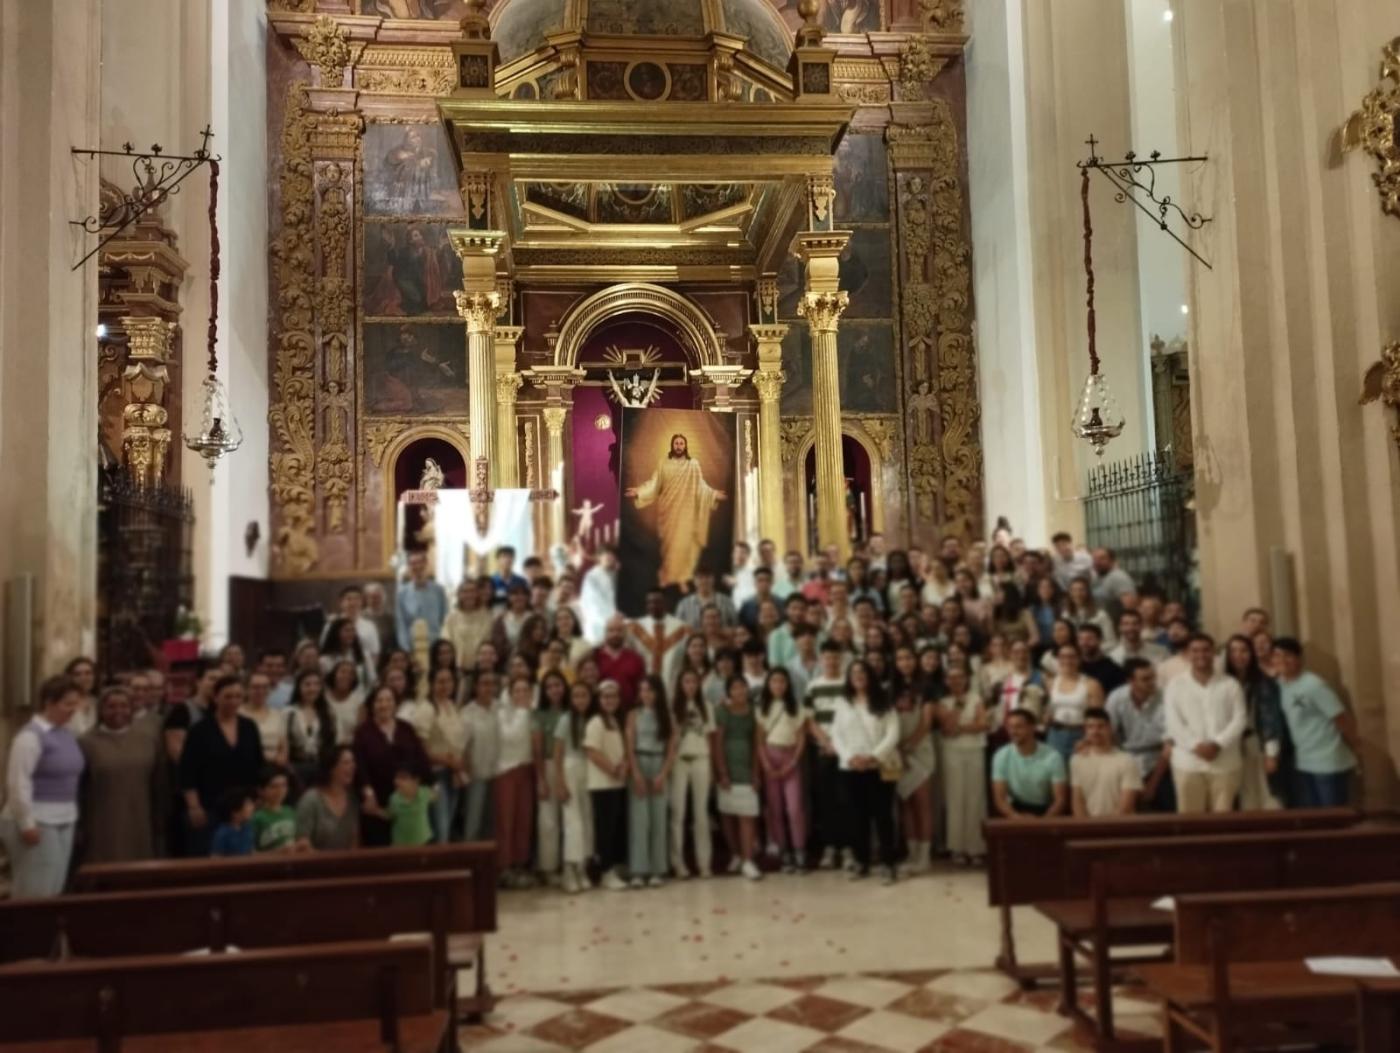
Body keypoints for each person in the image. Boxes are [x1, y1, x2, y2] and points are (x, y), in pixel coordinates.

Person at [1, 676, 86, 897]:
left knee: (55, 885)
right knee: (36, 887)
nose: (73, 710)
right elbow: (18, 782)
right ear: (49, 703)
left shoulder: (66, 733)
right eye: (68, 704)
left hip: (64, 816)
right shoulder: (30, 736)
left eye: (76, 704)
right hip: (36, 818)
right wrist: (26, 823)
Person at [623, 433, 728, 589]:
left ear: (685, 446)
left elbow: (700, 486)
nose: (679, 446)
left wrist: (713, 494)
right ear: (672, 445)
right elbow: (654, 485)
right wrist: (639, 492)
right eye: (676, 443)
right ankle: (668, 576)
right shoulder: (664, 464)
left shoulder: (693, 464)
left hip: (687, 513)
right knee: (670, 548)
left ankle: (682, 578)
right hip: (669, 513)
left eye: (681, 443)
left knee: (685, 546)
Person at [830, 660, 899, 884]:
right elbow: (836, 734)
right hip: (850, 767)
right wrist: (849, 757)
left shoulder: (883, 700)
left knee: (883, 816)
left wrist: (873, 757)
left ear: (870, 675)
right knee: (856, 816)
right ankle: (862, 862)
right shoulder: (842, 703)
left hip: (878, 766)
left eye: (862, 671)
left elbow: (893, 732)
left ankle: (888, 864)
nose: (858, 675)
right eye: (853, 672)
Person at [179, 675, 263, 857]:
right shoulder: (199, 730)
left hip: (243, 808)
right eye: (228, 696)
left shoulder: (249, 727)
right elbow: (187, 771)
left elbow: (258, 765)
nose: (233, 701)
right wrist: (194, 806)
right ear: (216, 697)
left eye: (238, 696)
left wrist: (256, 798)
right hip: (210, 806)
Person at [79, 685, 162, 863]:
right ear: (101, 710)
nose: (118, 711)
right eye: (111, 706)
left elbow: (158, 783)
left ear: (132, 708)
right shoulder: (86, 743)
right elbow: (80, 789)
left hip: (141, 816)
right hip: (103, 818)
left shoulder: (147, 740)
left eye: (124, 706)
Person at [1164, 633, 1246, 814]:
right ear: (1188, 654)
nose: (1201, 655)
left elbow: (1239, 719)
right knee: (1190, 820)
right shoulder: (1175, 685)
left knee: (1222, 820)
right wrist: (1195, 745)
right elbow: (1173, 722)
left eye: (1206, 650)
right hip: (1188, 763)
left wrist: (1217, 744)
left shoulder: (1230, 684)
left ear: (1214, 653)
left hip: (1225, 762)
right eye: (1195, 650)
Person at [1274, 637, 1360, 807]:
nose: (1282, 660)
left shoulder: (1313, 684)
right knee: (1314, 816)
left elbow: (1340, 717)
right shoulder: (1280, 685)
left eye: (1288, 655)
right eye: (1277, 655)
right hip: (1304, 760)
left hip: (1328, 760)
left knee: (1333, 815)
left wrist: (1356, 746)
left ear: (1299, 659)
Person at [352, 685, 432, 846]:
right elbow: (360, 765)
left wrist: (431, 782)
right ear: (372, 705)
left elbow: (421, 757)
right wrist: (367, 791)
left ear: (395, 703)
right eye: (379, 700)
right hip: (377, 798)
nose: (384, 705)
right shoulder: (362, 732)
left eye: (389, 700)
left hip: (407, 799)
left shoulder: (406, 728)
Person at [1224, 634, 1287, 810]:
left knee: (1261, 794)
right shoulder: (1222, 682)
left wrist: (1271, 753)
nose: (1238, 655)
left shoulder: (1262, 683)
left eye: (1244, 650)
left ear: (1251, 654)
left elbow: (1270, 719)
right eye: (1233, 651)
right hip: (1228, 746)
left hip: (1253, 742)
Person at [625, 674, 676, 888]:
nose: (645, 694)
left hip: (658, 763)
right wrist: (635, 772)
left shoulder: (667, 716)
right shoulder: (633, 714)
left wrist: (663, 774)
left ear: (658, 692)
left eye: (650, 690)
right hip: (639, 761)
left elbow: (671, 749)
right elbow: (629, 746)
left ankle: (657, 869)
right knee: (639, 819)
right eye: (642, 690)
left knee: (658, 818)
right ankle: (639, 869)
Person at [756, 668, 807, 874]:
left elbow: (801, 737)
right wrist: (766, 764)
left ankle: (799, 850)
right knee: (775, 808)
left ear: (788, 685)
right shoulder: (762, 708)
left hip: (790, 757)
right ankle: (784, 851)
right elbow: (759, 740)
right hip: (770, 756)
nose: (778, 685)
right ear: (768, 684)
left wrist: (793, 762)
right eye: (774, 681)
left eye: (782, 681)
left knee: (794, 808)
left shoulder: (796, 707)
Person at [1105, 659, 1174, 812]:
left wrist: (1152, 785)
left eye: (1153, 677)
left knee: (1165, 797)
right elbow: (1108, 733)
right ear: (1131, 681)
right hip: (1125, 757)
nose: (1152, 682)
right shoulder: (1116, 697)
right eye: (1145, 679)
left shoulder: (1166, 697)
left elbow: (1169, 745)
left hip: (1159, 759)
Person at [803, 640, 848, 869]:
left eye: (835, 657)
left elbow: (854, 718)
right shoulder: (813, 686)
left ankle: (848, 848)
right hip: (821, 750)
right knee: (826, 799)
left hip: (847, 750)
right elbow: (809, 720)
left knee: (847, 799)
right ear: (820, 660)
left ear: (841, 659)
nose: (831, 661)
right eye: (827, 657)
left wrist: (839, 745)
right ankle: (829, 847)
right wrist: (826, 742)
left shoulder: (849, 684)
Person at [668, 667, 715, 879]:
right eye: (686, 681)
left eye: (694, 681)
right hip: (679, 761)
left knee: (701, 814)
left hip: (701, 759)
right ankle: (678, 863)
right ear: (680, 684)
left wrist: (712, 767)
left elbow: (710, 737)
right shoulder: (672, 707)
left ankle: (704, 863)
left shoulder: (706, 706)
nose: (690, 686)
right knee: (678, 812)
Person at [714, 674, 762, 880]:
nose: (739, 691)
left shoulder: (753, 712)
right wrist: (722, 772)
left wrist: (756, 772)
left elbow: (756, 743)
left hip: (746, 766)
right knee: (728, 813)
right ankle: (735, 854)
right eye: (734, 687)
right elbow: (717, 743)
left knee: (747, 813)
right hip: (727, 765)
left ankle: (748, 860)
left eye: (742, 686)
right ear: (728, 692)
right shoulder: (722, 711)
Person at [938, 665, 987, 864]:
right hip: (952, 752)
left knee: (975, 797)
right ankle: (956, 847)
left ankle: (976, 847)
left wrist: (961, 728)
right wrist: (960, 713)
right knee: (955, 797)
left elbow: (983, 724)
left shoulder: (976, 698)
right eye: (952, 678)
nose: (956, 681)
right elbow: (948, 728)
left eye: (960, 677)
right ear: (946, 681)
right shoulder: (943, 702)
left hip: (974, 749)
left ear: (966, 679)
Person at [584, 680, 630, 890]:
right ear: (599, 700)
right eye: (606, 697)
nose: (610, 700)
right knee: (605, 830)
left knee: (614, 828)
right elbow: (592, 752)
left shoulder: (616, 721)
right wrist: (612, 769)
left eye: (614, 696)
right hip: (602, 783)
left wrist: (623, 766)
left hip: (616, 783)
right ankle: (605, 871)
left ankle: (614, 867)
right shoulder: (596, 722)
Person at [496, 676, 537, 887]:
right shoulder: (502, 714)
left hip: (526, 770)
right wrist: (522, 711)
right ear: (510, 694)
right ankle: (504, 867)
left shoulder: (533, 712)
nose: (521, 695)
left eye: (525, 690)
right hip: (506, 770)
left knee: (524, 820)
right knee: (506, 821)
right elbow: (510, 737)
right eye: (517, 691)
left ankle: (520, 865)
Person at [991, 708, 1068, 819]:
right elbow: (1000, 799)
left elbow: (1060, 800)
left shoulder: (1053, 757)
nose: (1013, 732)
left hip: (1046, 810)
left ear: (1032, 728)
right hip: (1015, 809)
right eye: (1010, 727)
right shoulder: (1001, 755)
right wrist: (1017, 818)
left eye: (1018, 727)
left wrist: (1041, 823)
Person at [894, 682, 937, 874]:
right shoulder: (891, 697)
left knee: (922, 806)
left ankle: (924, 857)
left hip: (920, 753)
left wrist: (907, 747)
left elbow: (925, 725)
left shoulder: (924, 698)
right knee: (906, 806)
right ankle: (912, 855)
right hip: (898, 756)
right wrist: (897, 751)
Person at [1070, 707, 1142, 817]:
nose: (1095, 731)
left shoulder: (1127, 760)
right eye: (1090, 727)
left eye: (1100, 726)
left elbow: (1126, 807)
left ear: (1110, 728)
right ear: (1085, 731)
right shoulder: (1077, 760)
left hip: (1120, 825)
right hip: (1087, 825)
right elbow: (1077, 801)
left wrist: (1105, 826)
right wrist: (1084, 825)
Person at [533, 671, 569, 886]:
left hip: (569, 765)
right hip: (548, 766)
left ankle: (569, 864)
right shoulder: (539, 715)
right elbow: (537, 749)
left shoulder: (571, 711)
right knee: (548, 820)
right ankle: (548, 867)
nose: (555, 690)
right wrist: (541, 779)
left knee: (569, 819)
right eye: (550, 686)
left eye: (558, 685)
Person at [1044, 644, 1104, 761]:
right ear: (1058, 659)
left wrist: (1087, 739)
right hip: (1055, 734)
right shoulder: (1051, 683)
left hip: (1080, 734)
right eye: (1063, 657)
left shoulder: (1091, 684)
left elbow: (1098, 718)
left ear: (1079, 659)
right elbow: (1049, 711)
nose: (1067, 661)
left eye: (1071, 657)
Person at [296, 746, 361, 851]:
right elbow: (302, 844)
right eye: (346, 762)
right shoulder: (311, 800)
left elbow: (354, 842)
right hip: (316, 860)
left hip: (346, 860)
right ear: (332, 768)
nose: (352, 766)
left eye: (353, 762)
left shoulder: (353, 799)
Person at [461, 672, 501, 842]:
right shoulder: (467, 713)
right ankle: (470, 855)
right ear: (476, 687)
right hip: (476, 774)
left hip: (498, 773)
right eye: (484, 684)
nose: (489, 688)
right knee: (473, 821)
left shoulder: (501, 708)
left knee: (494, 822)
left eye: (492, 684)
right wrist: (466, 771)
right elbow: (463, 746)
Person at [286, 669, 336, 793]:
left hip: (321, 767)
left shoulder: (328, 712)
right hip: (295, 767)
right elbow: (284, 741)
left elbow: (331, 741)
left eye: (316, 684)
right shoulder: (289, 712)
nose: (312, 688)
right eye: (307, 684)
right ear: (299, 687)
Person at [628, 588, 688, 687]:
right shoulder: (635, 628)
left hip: (672, 683)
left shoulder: (682, 629)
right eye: (649, 602)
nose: (653, 605)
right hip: (644, 685)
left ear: (665, 603)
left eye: (657, 602)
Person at [396, 549, 449, 650]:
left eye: (420, 562)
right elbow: (401, 624)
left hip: (435, 644)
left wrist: (442, 645)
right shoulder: (402, 593)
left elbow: (445, 619)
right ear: (409, 567)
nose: (417, 567)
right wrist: (405, 648)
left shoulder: (438, 591)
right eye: (413, 563)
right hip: (413, 645)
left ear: (426, 564)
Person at [595, 614, 645, 707]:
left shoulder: (635, 658)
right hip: (601, 710)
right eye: (611, 630)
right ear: (605, 633)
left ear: (625, 633)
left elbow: (641, 688)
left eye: (619, 630)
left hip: (629, 710)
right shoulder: (595, 657)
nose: (615, 634)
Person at [252, 765, 300, 852]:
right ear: (260, 790)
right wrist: (278, 852)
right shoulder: (256, 818)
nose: (280, 791)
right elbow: (250, 854)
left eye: (284, 785)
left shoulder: (291, 812)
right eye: (274, 786)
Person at [387, 765, 435, 847]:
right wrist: (375, 810)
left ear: (415, 780)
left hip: (423, 841)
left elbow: (434, 796)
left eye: (403, 778)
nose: (397, 781)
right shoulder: (394, 798)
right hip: (401, 843)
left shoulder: (424, 793)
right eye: (396, 778)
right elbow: (390, 814)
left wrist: (436, 789)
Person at [1090, 547, 1137, 622]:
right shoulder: (1096, 578)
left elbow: (1130, 607)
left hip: (1114, 624)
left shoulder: (1118, 577)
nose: (1097, 562)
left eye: (1102, 558)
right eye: (1095, 559)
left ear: (1112, 560)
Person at [1077, 625, 1126, 696]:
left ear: (1099, 640)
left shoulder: (1113, 670)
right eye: (1081, 639)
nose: (1084, 643)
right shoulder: (1075, 667)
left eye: (1089, 639)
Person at [209, 787, 257, 857]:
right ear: (235, 812)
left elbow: (252, 853)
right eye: (248, 805)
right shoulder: (222, 833)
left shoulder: (248, 828)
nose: (252, 808)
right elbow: (215, 858)